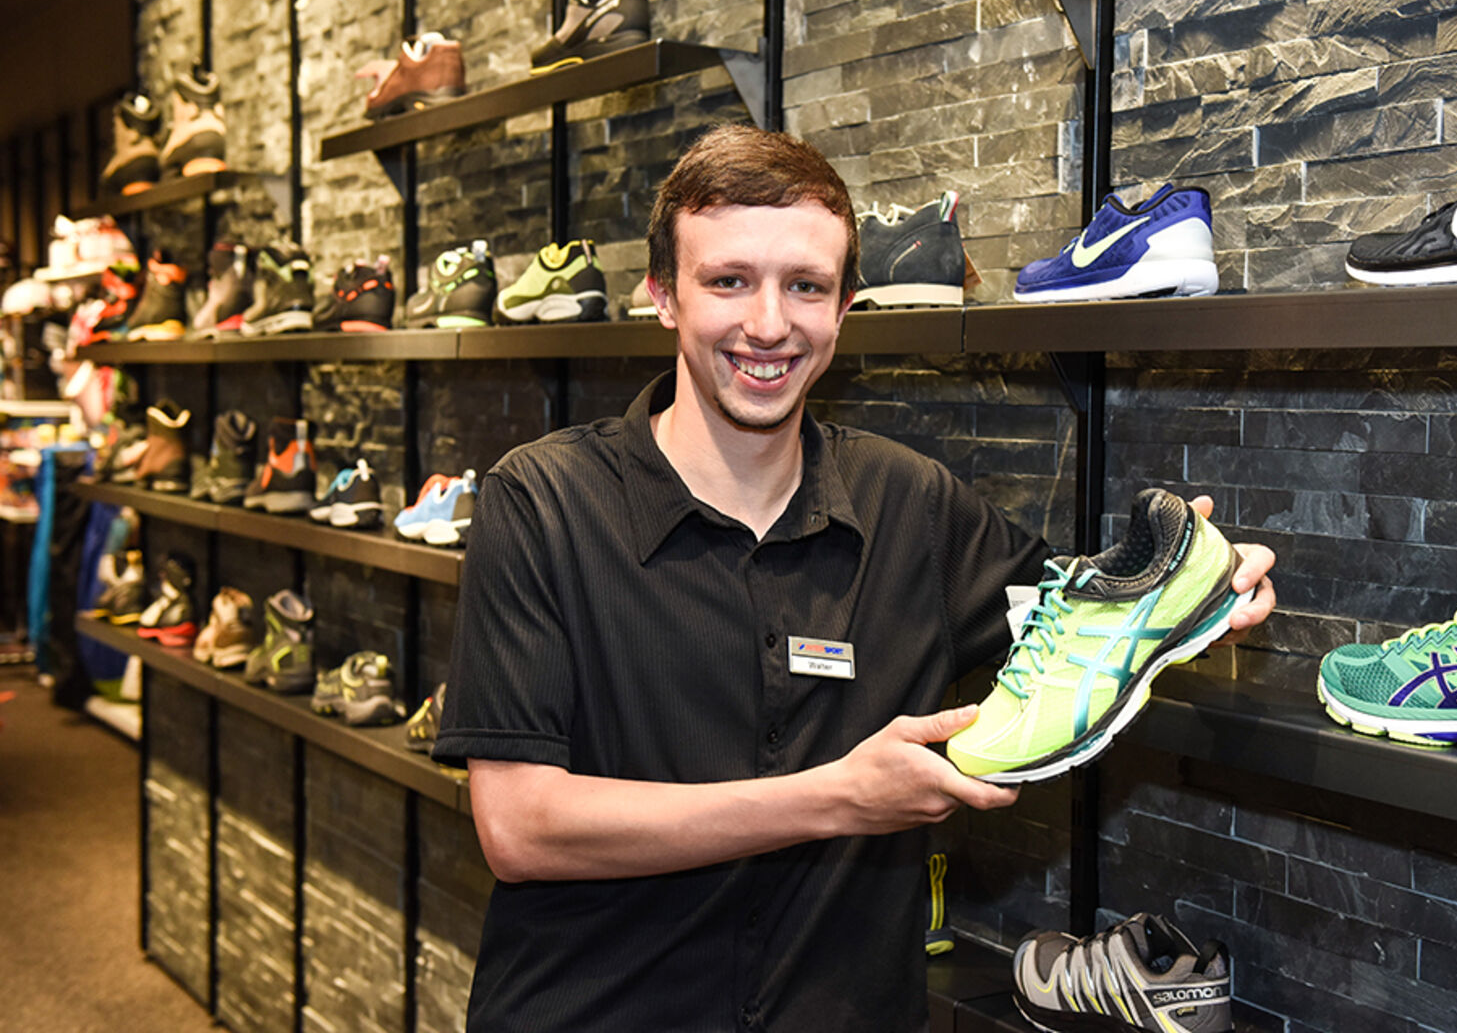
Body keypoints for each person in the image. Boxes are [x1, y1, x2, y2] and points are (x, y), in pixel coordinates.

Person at [434, 124, 1276, 1033]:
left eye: (805, 286)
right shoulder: (542, 500)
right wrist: (835, 797)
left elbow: (1088, 624)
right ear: (663, 296)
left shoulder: (912, 503)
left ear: (843, 307)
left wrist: (1202, 592)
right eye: (728, 281)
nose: (769, 324)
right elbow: (520, 828)